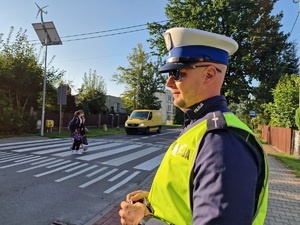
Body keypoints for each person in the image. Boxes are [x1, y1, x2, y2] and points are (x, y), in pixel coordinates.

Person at [119, 28, 269, 225]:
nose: (168, 83)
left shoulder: (222, 143)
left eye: (177, 74)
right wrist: (156, 199)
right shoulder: (201, 127)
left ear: (209, 74)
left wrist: (143, 220)